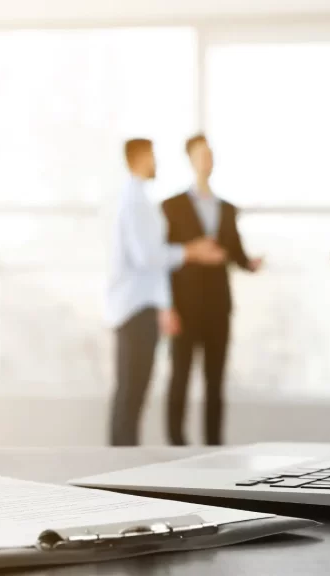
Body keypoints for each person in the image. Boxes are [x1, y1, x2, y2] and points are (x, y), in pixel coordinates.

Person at [107, 138, 226, 446]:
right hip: (135, 307)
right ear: (141, 157)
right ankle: (118, 471)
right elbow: (147, 257)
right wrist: (191, 252)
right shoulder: (135, 202)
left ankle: (121, 465)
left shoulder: (138, 199)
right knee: (131, 395)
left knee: (132, 395)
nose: (156, 162)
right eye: (153, 157)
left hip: (140, 305)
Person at [162, 133, 262, 446]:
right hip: (184, 305)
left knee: (215, 382)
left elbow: (236, 254)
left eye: (211, 154)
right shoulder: (171, 206)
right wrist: (166, 306)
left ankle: (214, 444)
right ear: (189, 159)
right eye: (201, 154)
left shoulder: (228, 209)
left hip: (218, 306)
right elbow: (163, 256)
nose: (207, 160)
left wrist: (250, 263)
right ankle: (176, 444)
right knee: (180, 377)